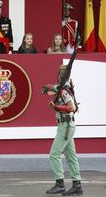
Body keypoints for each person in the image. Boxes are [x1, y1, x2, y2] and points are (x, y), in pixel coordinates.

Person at [43, 65, 83, 195]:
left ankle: (59, 183)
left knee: (54, 154)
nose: (60, 75)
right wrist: (49, 88)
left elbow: (71, 107)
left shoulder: (64, 91)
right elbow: (47, 89)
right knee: (71, 157)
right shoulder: (62, 89)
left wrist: (56, 107)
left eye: (62, 73)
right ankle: (77, 185)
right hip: (67, 126)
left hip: (65, 127)